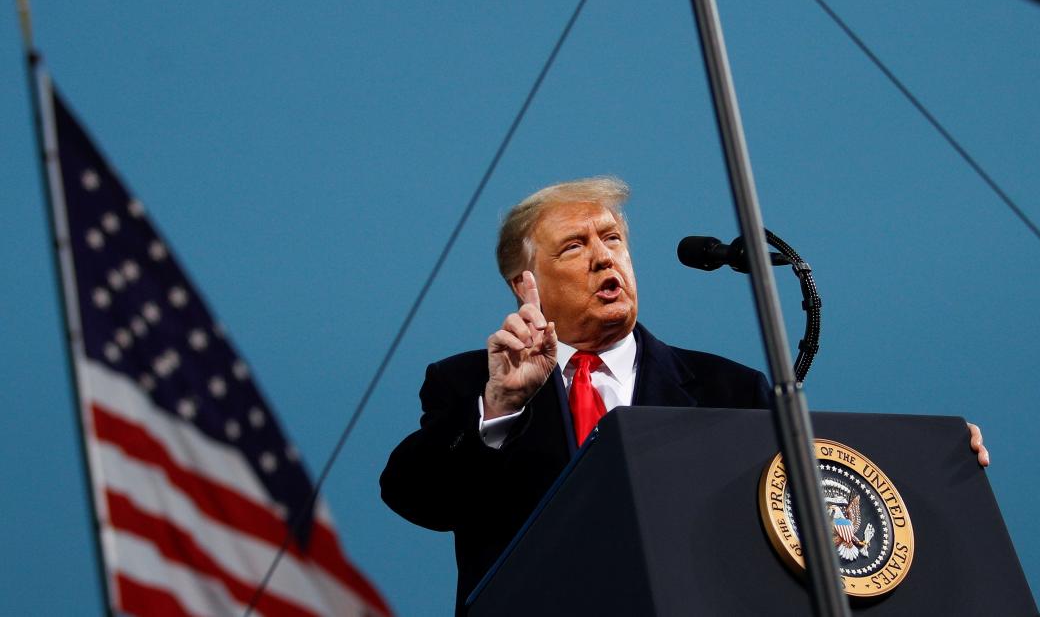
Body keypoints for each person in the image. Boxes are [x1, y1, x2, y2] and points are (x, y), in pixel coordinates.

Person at [380, 177, 987, 611]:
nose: (602, 258)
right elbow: (417, 497)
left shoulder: (731, 389)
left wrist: (929, 463)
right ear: (525, 285)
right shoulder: (471, 382)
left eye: (612, 239)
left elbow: (813, 508)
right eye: (575, 246)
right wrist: (500, 409)